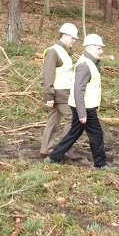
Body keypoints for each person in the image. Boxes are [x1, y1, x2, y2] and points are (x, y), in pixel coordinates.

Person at [45, 33, 111, 169]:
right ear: (91, 48)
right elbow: (77, 91)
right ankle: (101, 164)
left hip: (85, 106)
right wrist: (82, 114)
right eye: (99, 48)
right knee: (96, 135)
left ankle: (53, 157)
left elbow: (91, 87)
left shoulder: (90, 63)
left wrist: (96, 104)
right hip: (84, 108)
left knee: (74, 133)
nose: (101, 51)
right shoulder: (85, 65)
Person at [40, 23, 81, 160]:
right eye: (73, 38)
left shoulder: (65, 52)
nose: (74, 41)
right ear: (65, 35)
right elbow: (48, 75)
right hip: (60, 93)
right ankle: (66, 148)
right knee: (73, 118)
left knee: (53, 120)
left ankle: (46, 149)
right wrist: (49, 96)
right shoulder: (54, 51)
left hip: (63, 92)